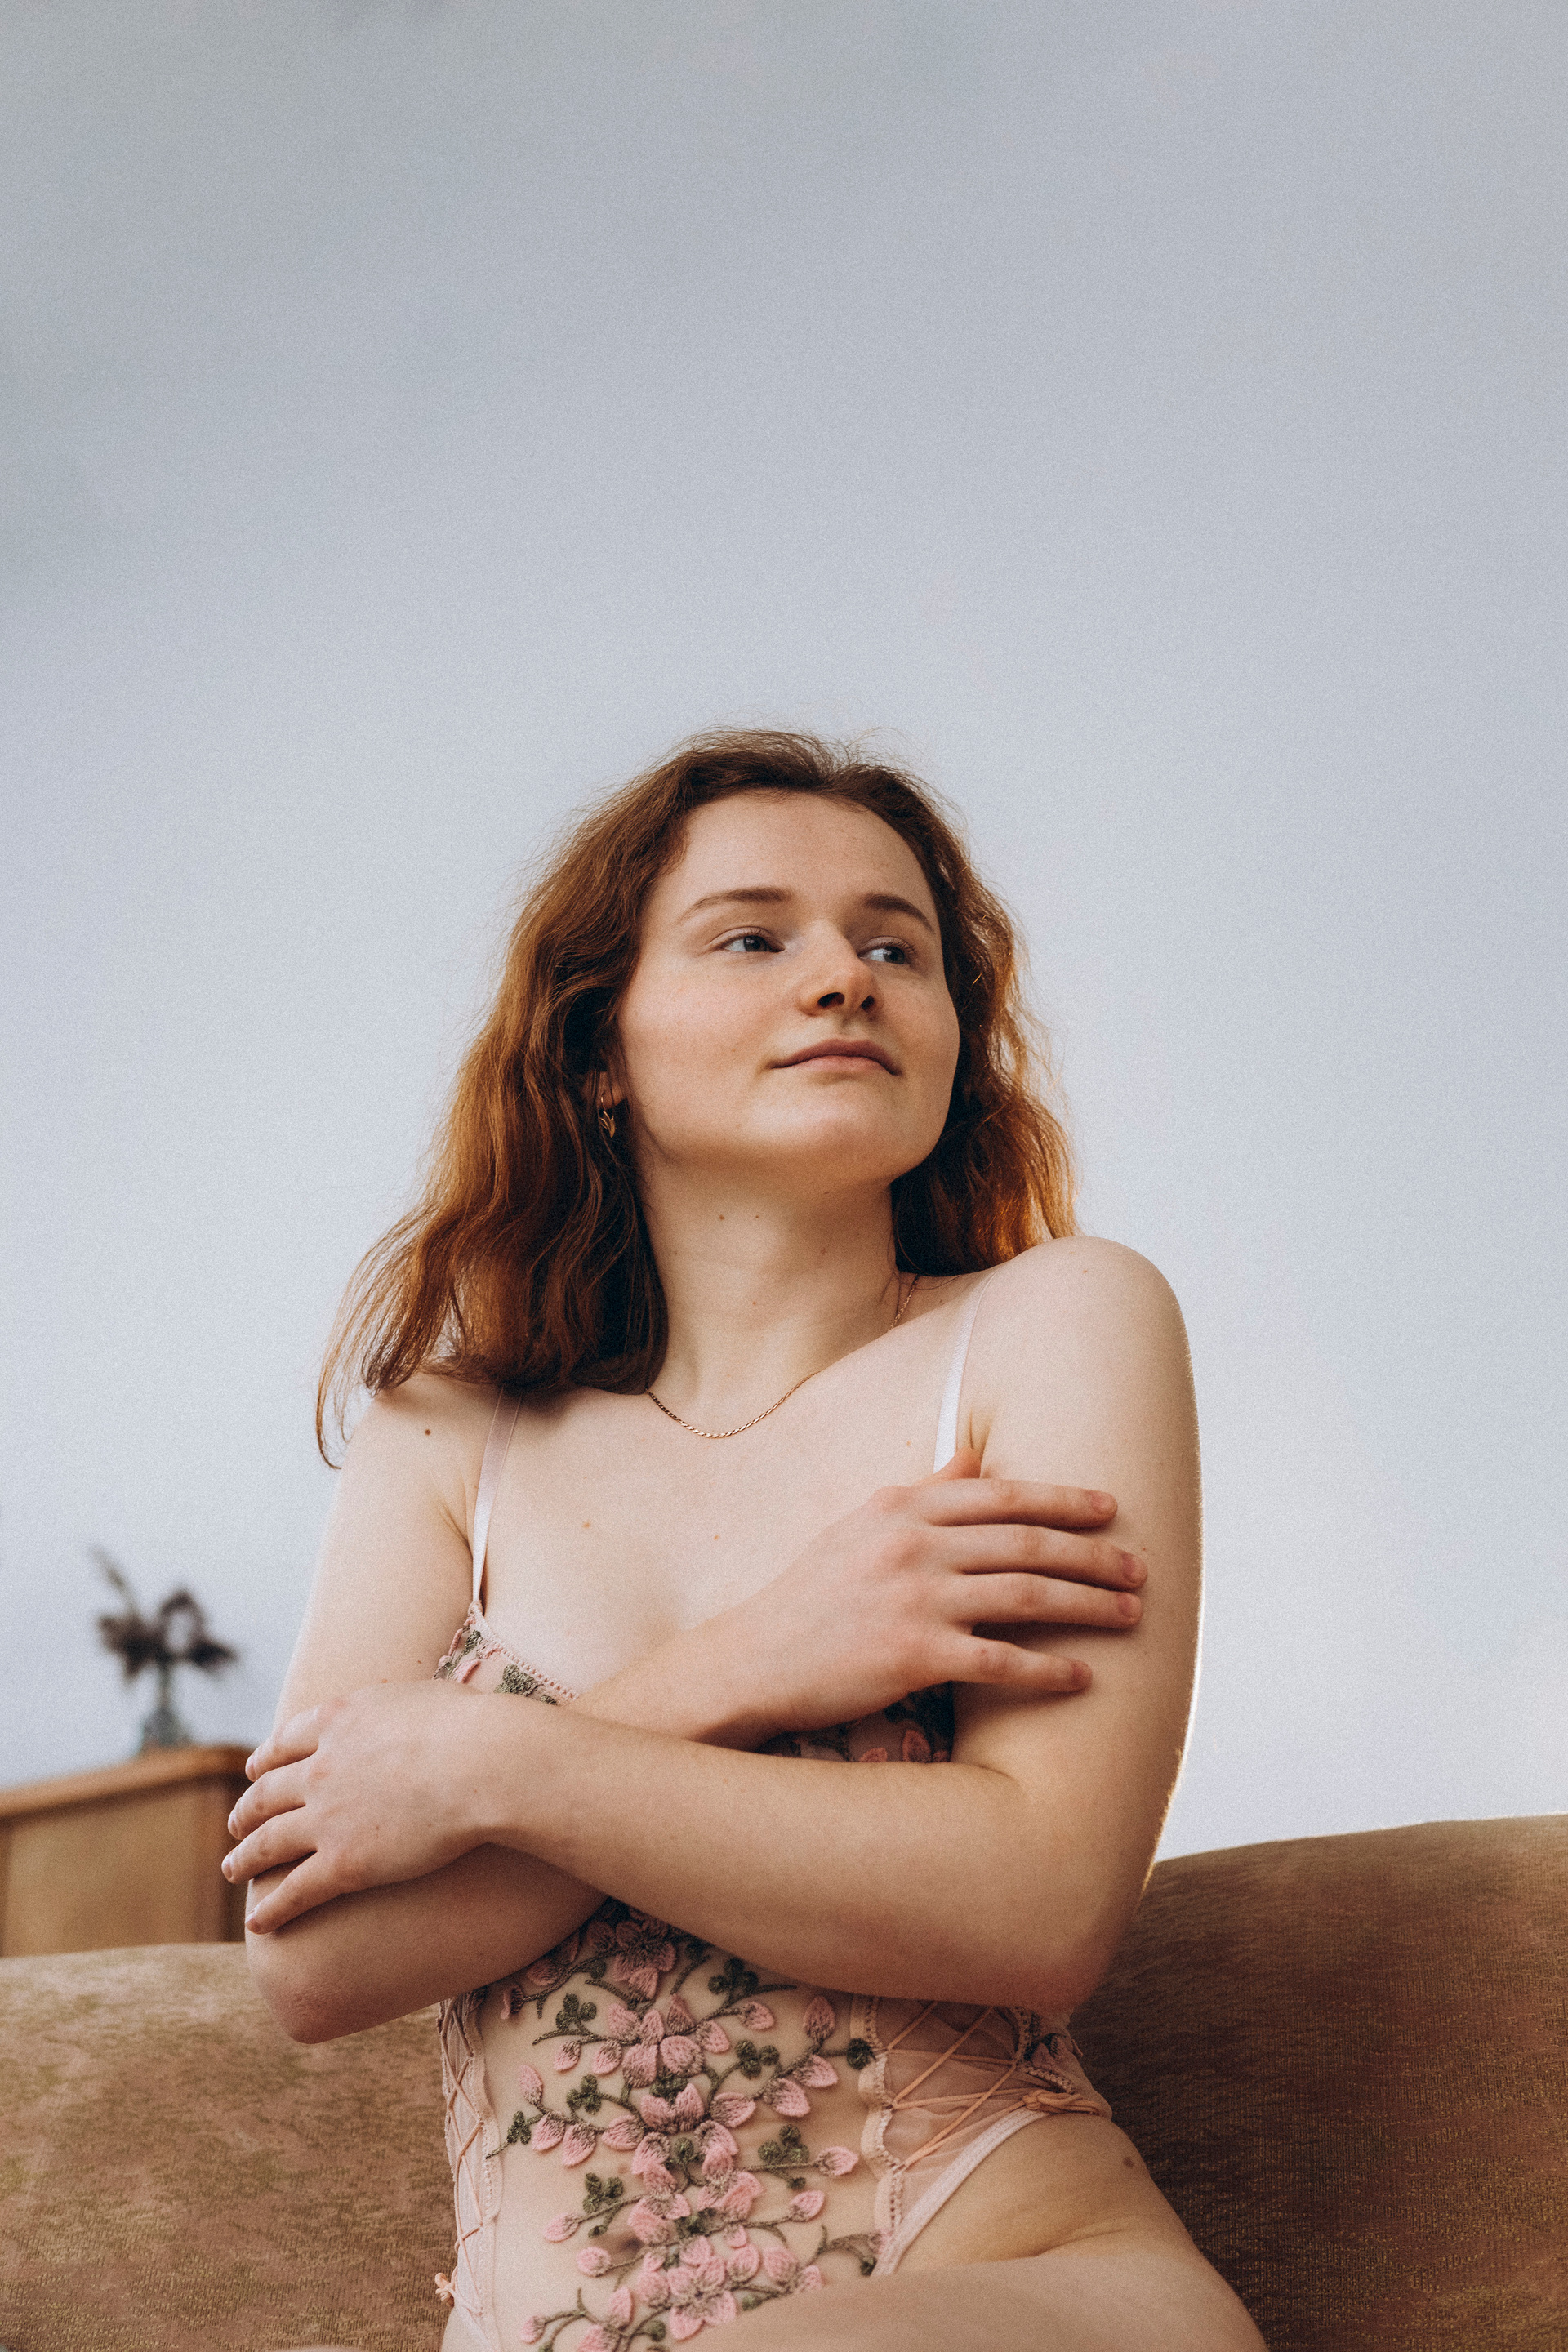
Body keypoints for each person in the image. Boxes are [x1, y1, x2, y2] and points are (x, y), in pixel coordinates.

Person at [227, 731, 1264, 2352]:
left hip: (1026, 2277)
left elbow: (1041, 1902)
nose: (844, 977)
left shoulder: (1056, 1322)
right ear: (599, 1051)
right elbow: (315, 1959)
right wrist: (750, 1662)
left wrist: (487, 1768)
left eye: (897, 948)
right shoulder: (448, 1433)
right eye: (753, 936)